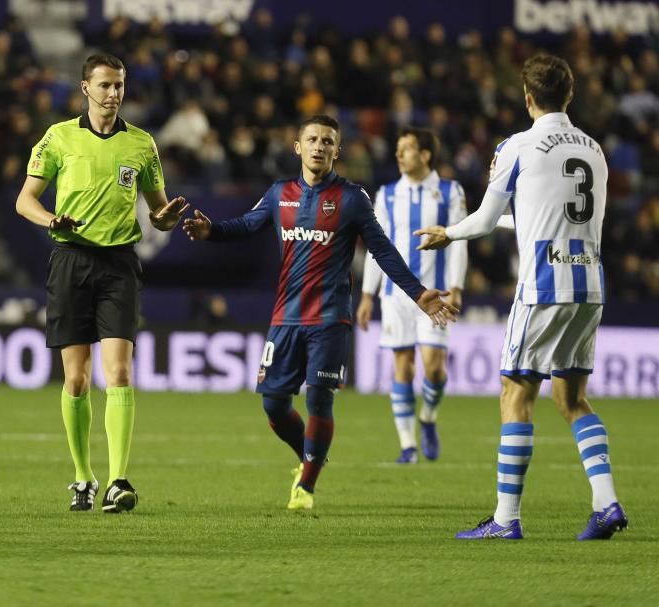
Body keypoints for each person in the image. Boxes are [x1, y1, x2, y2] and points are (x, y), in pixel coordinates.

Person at [183, 115, 458, 510]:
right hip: (285, 317)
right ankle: (310, 455)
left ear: (337, 150)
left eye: (327, 142)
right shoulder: (280, 194)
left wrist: (418, 294)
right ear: (297, 147)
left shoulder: (351, 198)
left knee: (319, 400)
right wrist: (213, 231)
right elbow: (246, 224)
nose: (319, 147)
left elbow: (381, 250)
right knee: (273, 404)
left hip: (330, 319)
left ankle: (306, 486)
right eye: (311, 139)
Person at [416, 55, 628, 540]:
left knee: (516, 392)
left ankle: (506, 518)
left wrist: (448, 233)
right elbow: (561, 217)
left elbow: (487, 221)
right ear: (569, 96)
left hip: (542, 287)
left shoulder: (518, 145)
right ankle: (606, 502)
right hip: (589, 284)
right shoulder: (594, 149)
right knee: (572, 397)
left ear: (528, 97)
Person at [15, 53, 188, 513]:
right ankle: (82, 477)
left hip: (119, 265)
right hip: (70, 259)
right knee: (77, 379)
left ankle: (117, 480)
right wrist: (52, 218)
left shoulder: (142, 145)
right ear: (85, 88)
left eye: (119, 85)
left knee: (121, 373)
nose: (113, 93)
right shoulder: (58, 138)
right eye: (105, 85)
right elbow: (24, 201)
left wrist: (165, 218)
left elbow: (158, 211)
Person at [357, 127, 467, 464]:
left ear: (425, 155)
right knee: (402, 368)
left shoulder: (450, 191)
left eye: (406, 149)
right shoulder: (388, 194)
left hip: (437, 292)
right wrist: (367, 294)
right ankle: (408, 446)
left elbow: (460, 241)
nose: (399, 155)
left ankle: (428, 418)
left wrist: (458, 287)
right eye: (397, 148)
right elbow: (378, 247)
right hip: (396, 295)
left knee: (434, 369)